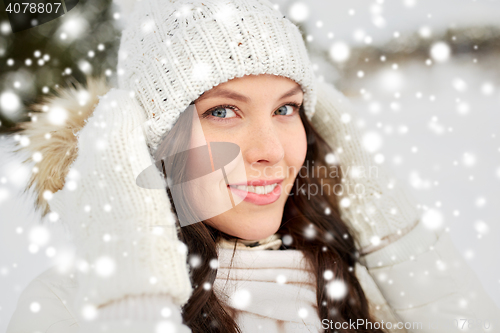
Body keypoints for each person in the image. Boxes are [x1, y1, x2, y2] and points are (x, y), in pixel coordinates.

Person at [6, 0, 500, 332]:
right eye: (223, 111)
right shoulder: (68, 307)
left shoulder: (362, 289)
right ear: (149, 145)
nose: (271, 150)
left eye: (285, 108)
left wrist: (389, 224)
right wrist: (134, 267)